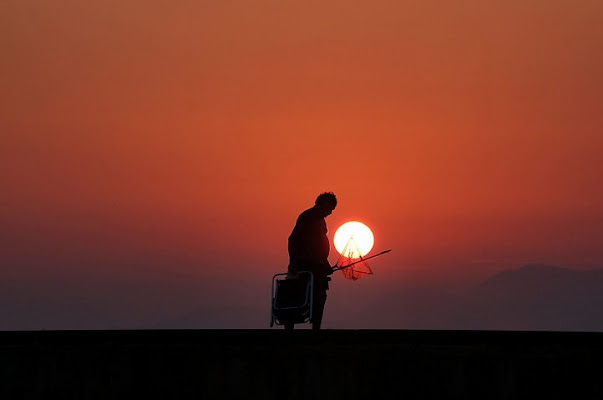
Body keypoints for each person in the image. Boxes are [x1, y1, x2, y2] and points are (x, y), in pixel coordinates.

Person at [287, 192, 337, 330]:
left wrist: (325, 264)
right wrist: (294, 261)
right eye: (329, 207)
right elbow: (293, 240)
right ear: (321, 203)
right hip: (305, 265)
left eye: (332, 209)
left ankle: (315, 327)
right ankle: (309, 329)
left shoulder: (319, 219)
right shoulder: (307, 217)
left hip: (317, 265)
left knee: (318, 295)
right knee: (301, 295)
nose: (330, 211)